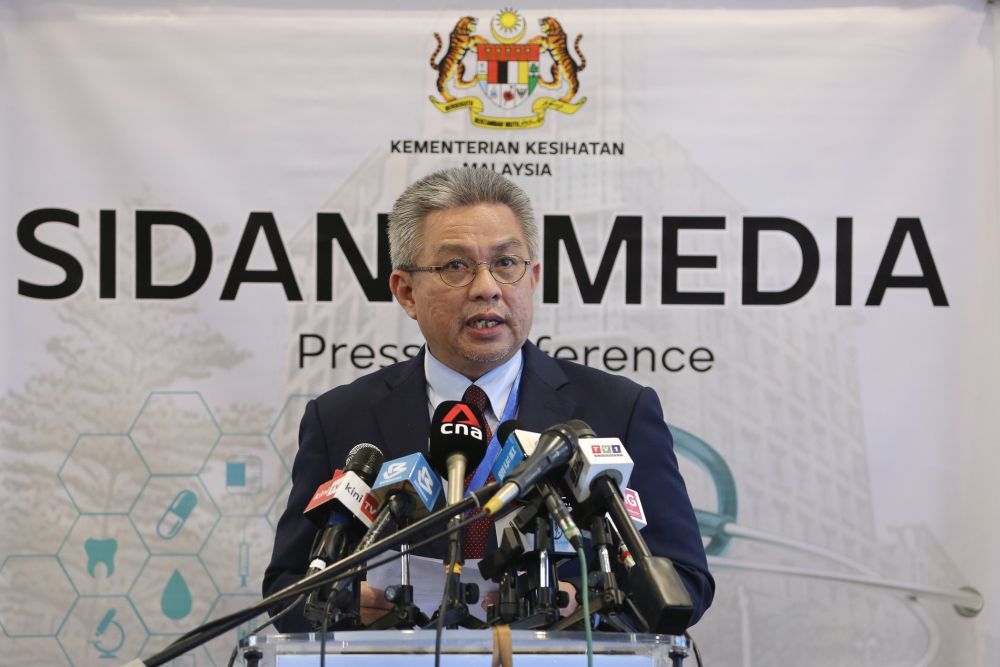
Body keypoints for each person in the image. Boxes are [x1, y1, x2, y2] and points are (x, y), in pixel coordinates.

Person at [263, 167, 714, 631]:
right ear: (405, 291)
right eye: (455, 266)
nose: (486, 287)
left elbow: (685, 580)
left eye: (506, 263)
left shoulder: (619, 410)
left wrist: (587, 604)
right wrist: (342, 604)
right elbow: (285, 588)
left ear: (532, 278)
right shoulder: (342, 417)